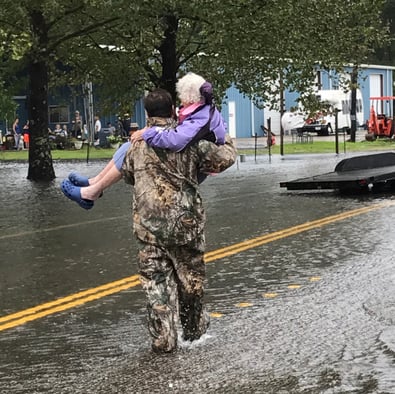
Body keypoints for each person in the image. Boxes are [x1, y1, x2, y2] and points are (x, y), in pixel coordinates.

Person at [64, 88, 236, 352]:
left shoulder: (136, 145)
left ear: (146, 114)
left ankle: (164, 338)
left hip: (149, 229)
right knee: (190, 281)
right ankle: (193, 332)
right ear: (172, 111)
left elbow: (130, 176)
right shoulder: (192, 142)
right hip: (185, 227)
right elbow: (225, 159)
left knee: (156, 286)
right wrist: (224, 136)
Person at [62, 73, 226, 207]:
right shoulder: (200, 110)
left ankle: (93, 191)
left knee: (132, 147)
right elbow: (181, 129)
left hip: (197, 171)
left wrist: (147, 133)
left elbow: (177, 139)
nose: (180, 102)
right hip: (190, 174)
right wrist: (148, 130)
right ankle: (95, 182)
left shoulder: (201, 116)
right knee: (129, 145)